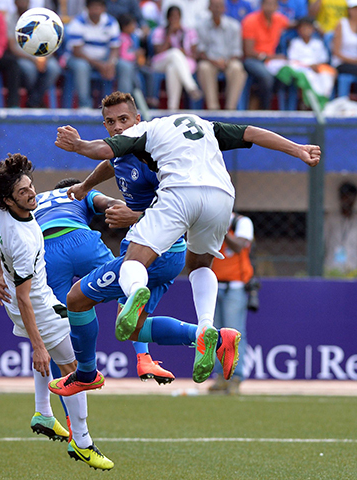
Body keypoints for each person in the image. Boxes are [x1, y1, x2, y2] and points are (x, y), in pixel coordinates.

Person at [51, 91, 320, 390]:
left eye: (123, 119)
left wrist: (79, 148)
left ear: (138, 119)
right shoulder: (200, 126)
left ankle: (87, 373)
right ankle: (208, 333)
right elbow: (250, 132)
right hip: (220, 197)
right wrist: (297, 149)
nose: (117, 127)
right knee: (148, 314)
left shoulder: (144, 135)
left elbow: (102, 151)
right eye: (110, 122)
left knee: (78, 297)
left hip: (168, 227)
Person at [0, 154, 114, 470]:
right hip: (36, 305)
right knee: (74, 371)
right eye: (23, 192)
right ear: (7, 200)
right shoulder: (25, 239)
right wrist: (37, 347)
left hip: (27, 301)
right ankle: (82, 443)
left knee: (65, 359)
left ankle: (43, 410)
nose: (32, 194)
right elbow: (26, 298)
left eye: (30, 186)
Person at [0, 176, 176, 384]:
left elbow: (4, 234)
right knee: (128, 282)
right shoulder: (80, 192)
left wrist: (1, 275)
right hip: (82, 242)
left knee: (58, 335)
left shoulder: (34, 199)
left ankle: (71, 401)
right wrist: (136, 215)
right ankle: (144, 357)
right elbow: (111, 203)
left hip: (46, 252)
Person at [209, 212, 255, 395]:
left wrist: (223, 230)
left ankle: (236, 377)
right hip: (212, 284)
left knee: (234, 334)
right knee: (215, 334)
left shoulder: (241, 222)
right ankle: (220, 377)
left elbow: (239, 247)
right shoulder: (209, 219)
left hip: (235, 286)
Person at [64, 0, 123, 107]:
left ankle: (121, 104)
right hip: (80, 59)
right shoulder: (78, 22)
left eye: (99, 7)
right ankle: (85, 106)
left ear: (104, 8)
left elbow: (115, 48)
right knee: (82, 67)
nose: (96, 10)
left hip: (104, 59)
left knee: (125, 66)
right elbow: (77, 52)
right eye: (93, 7)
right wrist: (100, 65)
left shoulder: (111, 22)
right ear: (87, 8)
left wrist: (111, 63)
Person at [7, 0, 62, 107]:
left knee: (54, 69)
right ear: (14, 2)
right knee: (29, 70)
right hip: (23, 57)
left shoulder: (40, 17)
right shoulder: (10, 19)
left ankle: (33, 101)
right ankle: (37, 101)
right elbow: (12, 47)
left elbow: (53, 41)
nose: (22, 3)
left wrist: (44, 58)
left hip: (44, 56)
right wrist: (33, 59)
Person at [196, 0, 248, 110]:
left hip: (228, 61)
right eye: (214, 6)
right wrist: (214, 61)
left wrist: (226, 62)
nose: (217, 10)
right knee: (203, 68)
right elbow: (201, 51)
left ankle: (230, 108)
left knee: (237, 68)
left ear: (225, 8)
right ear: (209, 8)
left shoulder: (234, 26)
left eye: (220, 7)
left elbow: (237, 51)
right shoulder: (201, 26)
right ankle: (213, 108)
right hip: (210, 61)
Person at [149, 5, 203, 110]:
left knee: (172, 68)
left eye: (177, 17)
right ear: (168, 18)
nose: (175, 19)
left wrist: (184, 53)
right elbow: (158, 51)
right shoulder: (160, 31)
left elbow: (195, 54)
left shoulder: (188, 31)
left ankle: (172, 108)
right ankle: (191, 87)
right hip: (161, 62)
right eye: (172, 17)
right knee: (174, 53)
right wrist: (169, 34)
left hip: (184, 64)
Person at [242, 0, 290, 110]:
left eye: (273, 4)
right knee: (266, 77)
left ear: (277, 6)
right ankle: (265, 111)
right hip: (253, 59)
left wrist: (312, 25)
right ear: (261, 5)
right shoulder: (251, 20)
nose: (270, 7)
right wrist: (270, 57)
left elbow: (293, 25)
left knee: (286, 72)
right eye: (267, 4)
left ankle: (257, 98)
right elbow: (248, 52)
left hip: (271, 61)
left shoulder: (279, 19)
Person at [325, 181, 357, 276]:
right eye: (345, 197)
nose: (347, 201)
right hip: (332, 266)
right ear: (340, 198)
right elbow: (323, 241)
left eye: (351, 197)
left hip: (353, 267)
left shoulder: (355, 220)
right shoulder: (331, 219)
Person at [331, 0, 357, 79]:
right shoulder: (342, 24)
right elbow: (336, 52)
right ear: (349, 10)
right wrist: (354, 61)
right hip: (342, 63)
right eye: (354, 8)